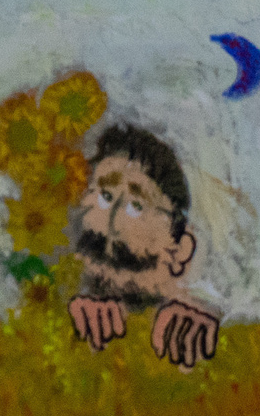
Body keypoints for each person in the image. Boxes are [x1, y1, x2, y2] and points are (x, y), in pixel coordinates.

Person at [65, 123, 223, 369]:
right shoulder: (65, 301)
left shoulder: (188, 324)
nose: (112, 222)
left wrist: (205, 329)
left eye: (136, 206)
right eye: (105, 197)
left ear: (180, 249)